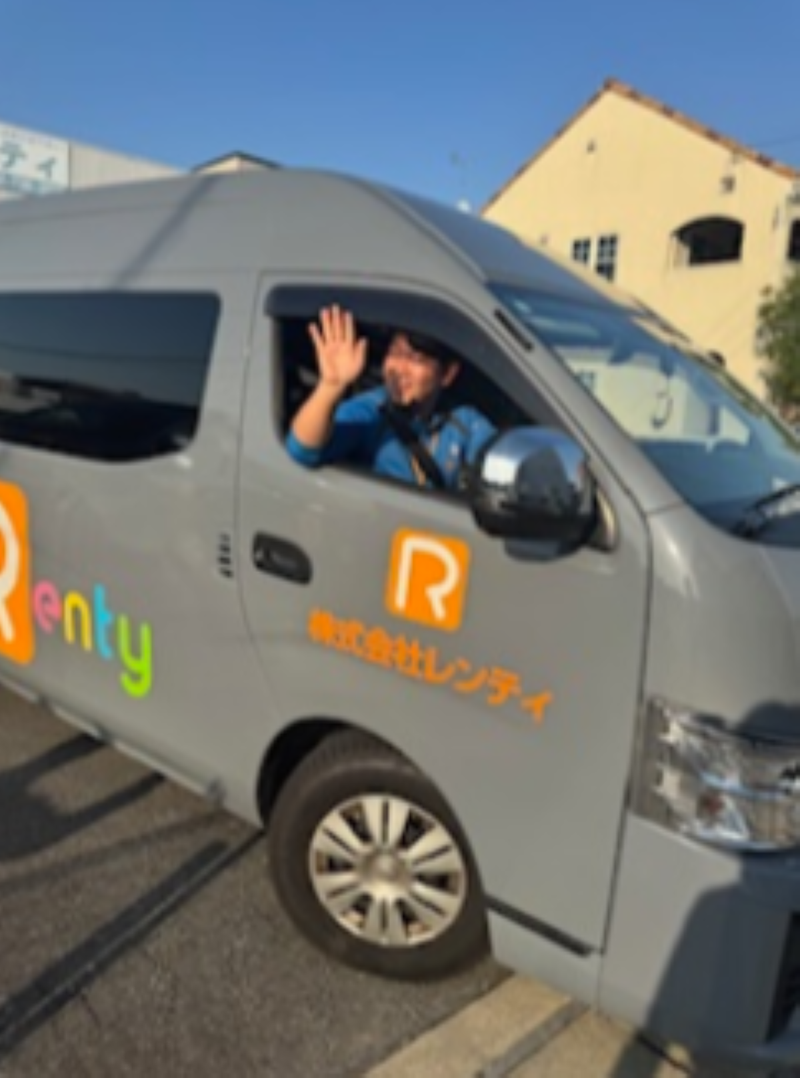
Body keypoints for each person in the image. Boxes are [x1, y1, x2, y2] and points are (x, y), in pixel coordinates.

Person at [286, 305, 496, 491]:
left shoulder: (463, 421)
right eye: (394, 353)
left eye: (416, 359)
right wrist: (330, 386)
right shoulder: (373, 410)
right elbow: (301, 450)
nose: (399, 368)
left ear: (448, 374)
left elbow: (497, 459)